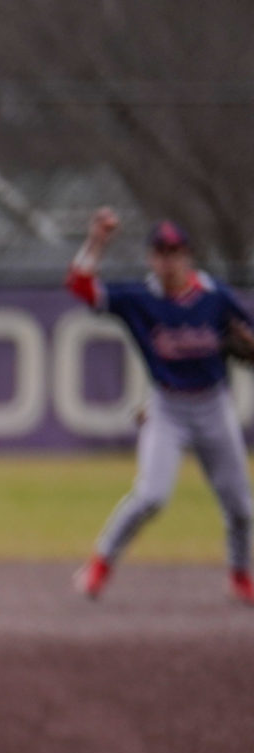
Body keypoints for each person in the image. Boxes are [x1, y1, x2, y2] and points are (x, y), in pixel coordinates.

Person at [67, 211, 254, 604]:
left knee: (240, 506)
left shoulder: (213, 296)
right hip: (167, 408)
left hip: (214, 406)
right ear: (151, 258)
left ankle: (240, 576)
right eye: (160, 253)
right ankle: (100, 564)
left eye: (174, 252)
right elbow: (80, 287)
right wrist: (97, 241)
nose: (168, 261)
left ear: (187, 255)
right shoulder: (140, 299)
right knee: (151, 496)